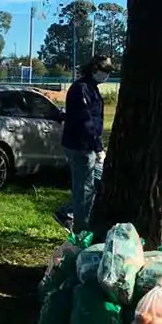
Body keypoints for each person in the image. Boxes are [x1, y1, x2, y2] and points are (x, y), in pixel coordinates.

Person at [59, 55, 115, 234]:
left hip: (87, 145)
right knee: (85, 189)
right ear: (94, 69)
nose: (107, 75)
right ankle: (81, 232)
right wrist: (98, 148)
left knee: (99, 180)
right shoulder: (81, 88)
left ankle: (67, 212)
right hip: (81, 147)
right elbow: (85, 121)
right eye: (105, 71)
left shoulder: (92, 88)